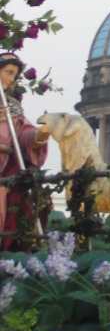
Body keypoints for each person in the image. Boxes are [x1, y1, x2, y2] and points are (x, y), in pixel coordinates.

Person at [0, 54, 49, 251]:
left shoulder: (12, 107)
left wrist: (38, 136)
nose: (11, 79)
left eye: (14, 75)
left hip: (5, 171)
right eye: (8, 72)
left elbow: (23, 134)